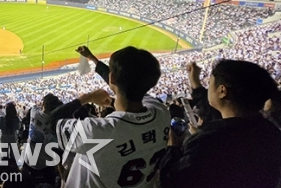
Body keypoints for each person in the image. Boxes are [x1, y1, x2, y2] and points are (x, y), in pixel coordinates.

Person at [48, 46, 170, 188]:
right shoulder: (162, 113)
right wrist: (92, 59)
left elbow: (52, 122)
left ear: (112, 78)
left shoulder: (97, 132)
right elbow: (129, 83)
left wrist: (87, 98)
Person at [159, 60, 281, 188]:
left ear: (222, 91)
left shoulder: (208, 142)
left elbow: (171, 181)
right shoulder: (271, 131)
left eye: (210, 83)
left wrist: (173, 147)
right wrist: (195, 83)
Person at [22, 93, 62, 187]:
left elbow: (35, 107)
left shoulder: (34, 112)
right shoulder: (56, 122)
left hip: (29, 159)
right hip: (47, 163)